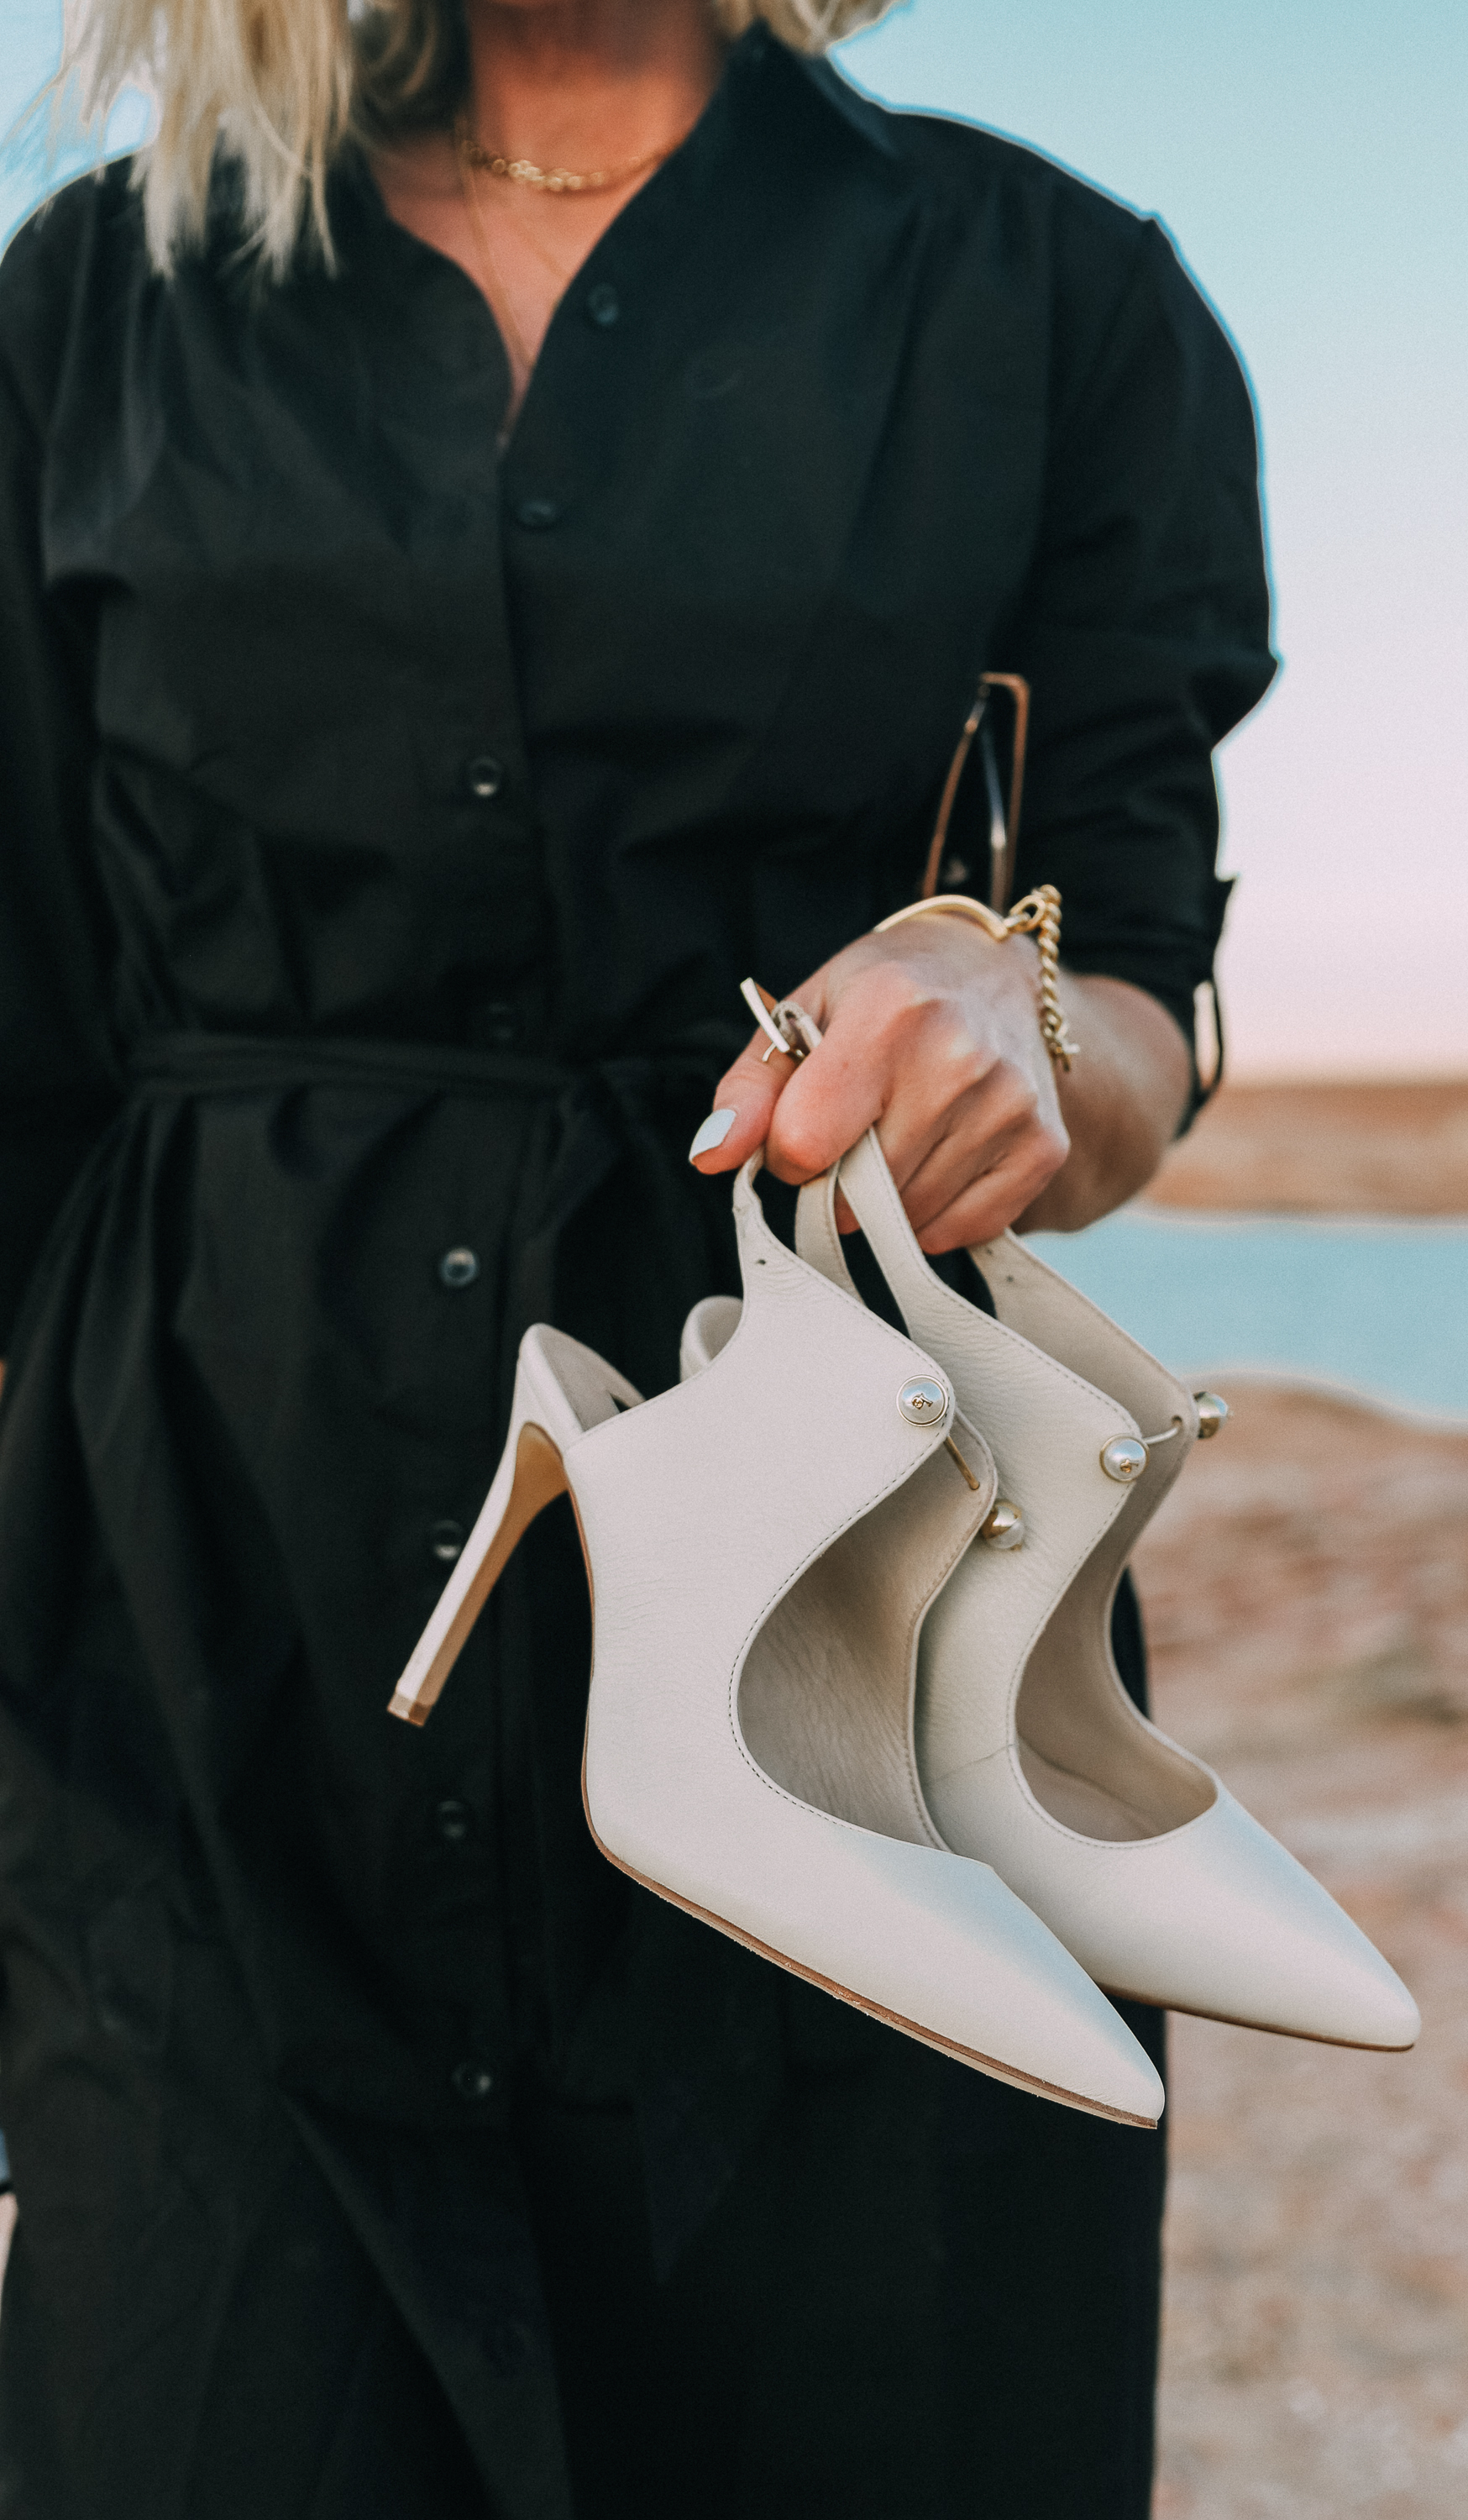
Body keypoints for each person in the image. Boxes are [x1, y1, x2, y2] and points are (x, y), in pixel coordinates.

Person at [0, 0, 1274, 2509]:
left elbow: (1130, 997)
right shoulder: (87, 318)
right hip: (201, 1677)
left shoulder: (1045, 294)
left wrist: (1001, 995)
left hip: (859, 1675)